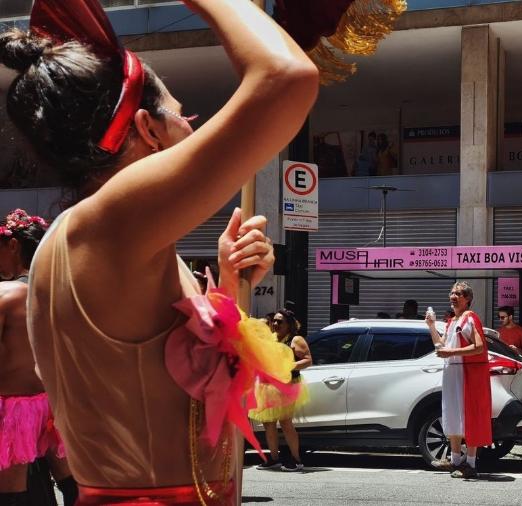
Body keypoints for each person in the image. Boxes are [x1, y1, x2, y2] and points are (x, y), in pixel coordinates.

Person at [5, 0, 317, 502]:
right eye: (183, 116)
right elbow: (286, 78)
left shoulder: (101, 238)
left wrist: (231, 286)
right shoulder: (107, 225)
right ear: (148, 129)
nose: (192, 129)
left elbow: (178, 397)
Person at [0, 209, 77, 506]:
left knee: (12, 494)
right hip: (51, 404)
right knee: (71, 482)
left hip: (13, 410)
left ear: (14, 246)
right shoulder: (60, 292)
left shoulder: (5, 295)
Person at [426, 281, 492, 479]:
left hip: (467, 374)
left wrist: (451, 352)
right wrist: (431, 326)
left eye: (458, 294)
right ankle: (455, 460)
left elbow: (480, 347)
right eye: (452, 293)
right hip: (452, 373)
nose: (453, 296)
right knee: (452, 415)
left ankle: (470, 464)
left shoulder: (470, 318)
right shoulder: (451, 321)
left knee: (468, 417)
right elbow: (441, 345)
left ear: (468, 299)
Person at [251, 309, 312, 472]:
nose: (276, 324)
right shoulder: (271, 338)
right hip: (269, 384)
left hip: (288, 384)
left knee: (285, 422)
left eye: (280, 321)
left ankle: (297, 460)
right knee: (268, 422)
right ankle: (274, 458)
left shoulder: (295, 339)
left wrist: (287, 366)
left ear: (289, 324)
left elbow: (308, 360)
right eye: (275, 321)